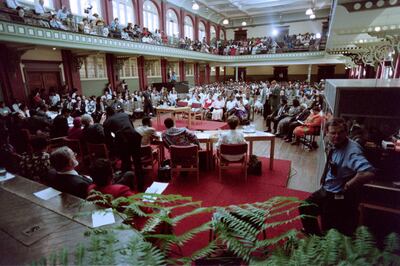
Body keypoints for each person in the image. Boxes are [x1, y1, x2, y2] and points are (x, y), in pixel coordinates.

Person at [299, 118, 375, 236]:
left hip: (337, 195)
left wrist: (350, 183)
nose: (337, 136)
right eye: (333, 133)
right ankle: (315, 238)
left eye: (340, 132)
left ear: (346, 133)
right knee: (305, 207)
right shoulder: (335, 143)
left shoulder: (352, 151)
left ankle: (322, 243)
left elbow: (368, 172)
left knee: (329, 228)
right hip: (327, 188)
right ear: (327, 133)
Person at [103, 106, 143, 191]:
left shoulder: (107, 121)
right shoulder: (124, 115)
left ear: (107, 114)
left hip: (122, 140)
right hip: (134, 136)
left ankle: (129, 185)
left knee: (126, 162)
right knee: (137, 161)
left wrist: (113, 149)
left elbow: (108, 138)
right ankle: (140, 185)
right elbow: (132, 127)